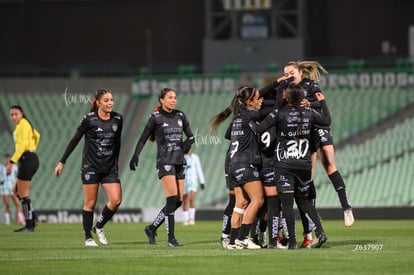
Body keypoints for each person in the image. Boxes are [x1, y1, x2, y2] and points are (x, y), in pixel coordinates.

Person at [282, 61, 354, 248]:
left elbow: (320, 102)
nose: (289, 75)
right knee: (308, 178)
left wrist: (309, 102)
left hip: (320, 126)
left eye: (291, 72)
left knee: (330, 166)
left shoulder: (311, 84)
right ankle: (310, 231)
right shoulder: (288, 88)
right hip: (306, 132)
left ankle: (346, 208)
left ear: (300, 72)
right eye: (286, 73)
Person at [255, 84, 332, 249]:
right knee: (304, 201)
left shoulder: (279, 113)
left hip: (284, 164)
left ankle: (292, 243)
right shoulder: (310, 113)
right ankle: (320, 233)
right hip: (304, 165)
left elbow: (259, 128)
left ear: (286, 97)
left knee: (287, 204)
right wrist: (323, 102)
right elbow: (327, 121)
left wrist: (246, 121)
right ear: (302, 97)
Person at [54, 89, 123, 247]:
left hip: (109, 168)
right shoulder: (89, 120)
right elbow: (74, 140)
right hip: (91, 166)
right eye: (106, 100)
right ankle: (88, 238)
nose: (110, 102)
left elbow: (117, 142)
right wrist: (61, 161)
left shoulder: (118, 118)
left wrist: (115, 162)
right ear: (98, 103)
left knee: (116, 200)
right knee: (90, 203)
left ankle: (98, 226)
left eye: (111, 99)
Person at [129, 88, 195, 247]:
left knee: (179, 201)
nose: (173, 100)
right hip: (165, 161)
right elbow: (143, 139)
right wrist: (135, 155)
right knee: (172, 198)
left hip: (179, 161)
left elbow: (191, 135)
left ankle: (152, 228)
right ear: (162, 100)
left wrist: (189, 142)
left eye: (175, 97)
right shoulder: (155, 118)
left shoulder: (181, 115)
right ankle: (171, 239)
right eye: (170, 97)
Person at [210, 86, 264, 250]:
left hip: (232, 164)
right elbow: (271, 113)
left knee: (240, 202)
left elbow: (228, 135)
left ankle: (232, 241)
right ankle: (241, 238)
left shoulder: (238, 117)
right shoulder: (249, 115)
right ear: (249, 101)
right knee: (258, 200)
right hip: (244, 162)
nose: (261, 101)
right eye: (259, 98)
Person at [8, 105, 40, 232]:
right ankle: (33, 218)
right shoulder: (24, 124)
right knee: (15, 191)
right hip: (28, 158)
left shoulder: (23, 124)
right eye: (11, 115)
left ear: (21, 113)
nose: (13, 117)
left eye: (16, 114)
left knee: (23, 194)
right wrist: (33, 148)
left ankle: (29, 225)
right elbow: (37, 135)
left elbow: (21, 146)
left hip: (27, 159)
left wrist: (11, 162)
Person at [182, 149, 205, 225]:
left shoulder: (195, 157)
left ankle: (191, 219)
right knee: (184, 200)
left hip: (193, 181)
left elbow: (199, 169)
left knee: (191, 199)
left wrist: (202, 181)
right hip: (183, 181)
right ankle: (186, 220)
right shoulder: (181, 157)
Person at [0, 153, 25, 225]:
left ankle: (21, 220)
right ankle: (7, 221)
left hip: (12, 187)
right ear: (4, 159)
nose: (7, 160)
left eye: (8, 159)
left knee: (17, 204)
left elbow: (19, 174)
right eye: (6, 159)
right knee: (7, 204)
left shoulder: (14, 167)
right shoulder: (1, 167)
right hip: (4, 187)